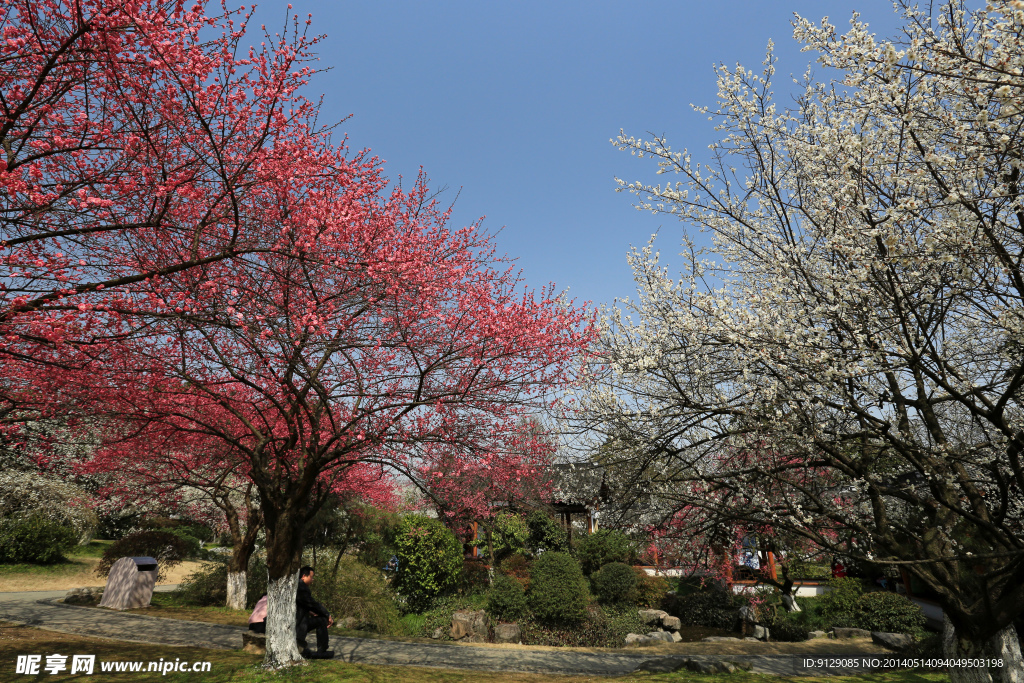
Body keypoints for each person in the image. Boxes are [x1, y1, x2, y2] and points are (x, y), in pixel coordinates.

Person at [296, 566, 334, 659]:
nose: (312, 580)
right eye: (311, 577)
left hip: (296, 623)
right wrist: (326, 614)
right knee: (321, 620)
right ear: (304, 576)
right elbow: (312, 603)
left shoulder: (295, 586)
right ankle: (322, 651)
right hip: (297, 626)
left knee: (320, 618)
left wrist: (310, 612)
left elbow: (302, 604)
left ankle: (322, 651)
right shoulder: (301, 587)